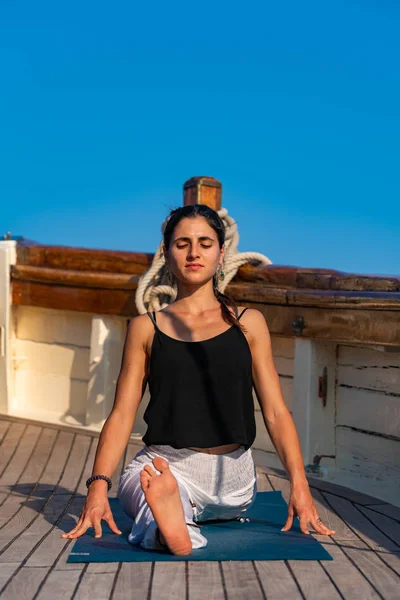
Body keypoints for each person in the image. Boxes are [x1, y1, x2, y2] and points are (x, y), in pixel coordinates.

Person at [62, 204, 335, 555]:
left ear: (221, 254)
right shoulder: (146, 327)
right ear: (166, 252)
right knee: (147, 488)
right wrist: (98, 488)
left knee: (155, 501)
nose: (194, 252)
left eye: (205, 243)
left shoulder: (248, 323)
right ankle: (171, 527)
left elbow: (276, 413)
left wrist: (300, 486)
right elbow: (121, 415)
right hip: (164, 464)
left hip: (232, 480)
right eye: (182, 243)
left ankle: (168, 521)